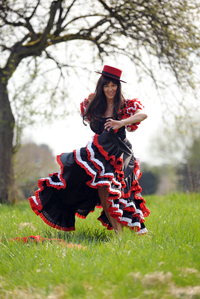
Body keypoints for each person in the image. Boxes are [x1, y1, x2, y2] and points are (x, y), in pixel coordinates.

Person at [29, 65, 150, 234]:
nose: (110, 89)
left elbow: (142, 115)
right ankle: (119, 235)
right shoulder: (93, 103)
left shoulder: (126, 105)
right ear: (101, 86)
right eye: (106, 85)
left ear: (118, 86)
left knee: (118, 193)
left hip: (120, 154)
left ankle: (125, 235)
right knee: (103, 192)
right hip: (99, 153)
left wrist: (121, 122)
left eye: (113, 85)